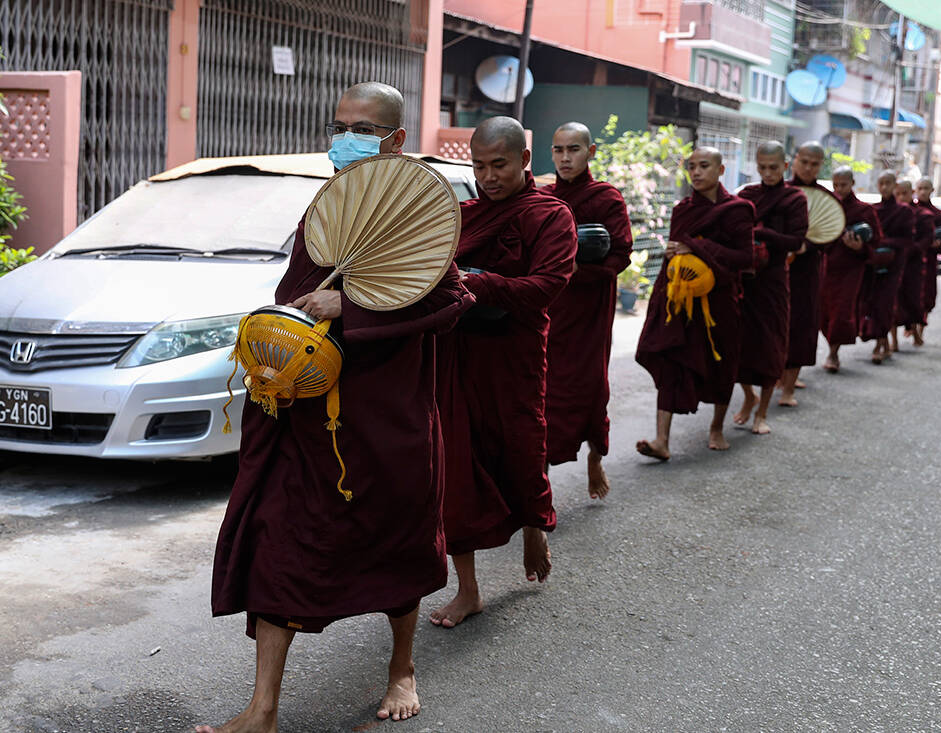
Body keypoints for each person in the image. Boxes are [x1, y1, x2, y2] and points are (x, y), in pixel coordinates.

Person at [198, 82, 474, 733]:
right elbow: (297, 289)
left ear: (397, 139)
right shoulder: (327, 205)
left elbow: (452, 301)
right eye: (341, 123)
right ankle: (263, 707)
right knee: (278, 542)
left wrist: (348, 309)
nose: (347, 136)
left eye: (364, 126)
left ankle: (402, 665)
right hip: (308, 414)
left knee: (395, 544)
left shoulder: (416, 212)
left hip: (386, 419)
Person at [431, 117, 577, 628]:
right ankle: (468, 590)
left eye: (499, 164)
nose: (488, 176)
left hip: (514, 354)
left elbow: (547, 286)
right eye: (479, 165)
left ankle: (534, 525)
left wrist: (478, 281)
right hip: (456, 354)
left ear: (523, 161)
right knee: (456, 467)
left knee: (521, 447)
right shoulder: (463, 215)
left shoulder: (550, 216)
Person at [635, 147, 755, 458]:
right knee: (673, 359)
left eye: (704, 166)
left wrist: (698, 246)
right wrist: (662, 300)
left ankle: (716, 427)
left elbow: (744, 257)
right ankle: (662, 440)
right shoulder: (683, 209)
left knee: (722, 363)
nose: (697, 172)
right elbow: (675, 253)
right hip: (682, 298)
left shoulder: (738, 209)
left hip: (721, 300)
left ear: (721, 170)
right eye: (692, 167)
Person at [542, 122, 633, 499]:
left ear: (591, 152)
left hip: (589, 310)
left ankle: (596, 458)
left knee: (590, 388)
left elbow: (622, 254)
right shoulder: (543, 198)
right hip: (550, 308)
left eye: (574, 149)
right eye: (559, 150)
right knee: (543, 392)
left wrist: (583, 270)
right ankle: (539, 483)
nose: (565, 158)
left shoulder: (606, 198)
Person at [733, 142, 808, 434]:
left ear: (785, 166)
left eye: (773, 168)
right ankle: (748, 396)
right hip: (746, 279)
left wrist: (762, 233)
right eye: (762, 167)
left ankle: (762, 413)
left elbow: (796, 241)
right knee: (740, 343)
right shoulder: (748, 195)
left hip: (774, 280)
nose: (767, 173)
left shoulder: (794, 199)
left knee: (771, 345)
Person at [780, 141, 834, 406]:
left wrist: (808, 245)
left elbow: (830, 234)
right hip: (777, 268)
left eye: (815, 164)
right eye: (805, 162)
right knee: (777, 324)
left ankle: (788, 389)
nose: (809, 168)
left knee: (802, 327)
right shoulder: (780, 193)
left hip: (808, 271)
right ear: (794, 161)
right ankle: (776, 376)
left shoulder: (827, 198)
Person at [821, 167, 881, 373]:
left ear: (852, 183)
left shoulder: (864, 210)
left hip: (851, 269)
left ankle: (833, 353)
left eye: (843, 185)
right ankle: (831, 348)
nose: (839, 189)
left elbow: (876, 241)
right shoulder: (827, 207)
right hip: (827, 266)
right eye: (835, 185)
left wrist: (860, 247)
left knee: (841, 311)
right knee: (824, 312)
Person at [860, 172, 913, 364]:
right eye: (881, 183)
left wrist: (885, 242)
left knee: (886, 303)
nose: (884, 187)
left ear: (894, 185)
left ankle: (880, 345)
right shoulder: (871, 210)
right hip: (874, 262)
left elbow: (908, 239)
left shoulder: (904, 211)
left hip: (894, 264)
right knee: (872, 303)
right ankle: (882, 343)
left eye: (888, 183)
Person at [892, 179, 934, 349]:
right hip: (894, 263)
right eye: (898, 194)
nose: (902, 197)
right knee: (893, 301)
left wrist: (910, 249)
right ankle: (893, 341)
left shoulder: (923, 215)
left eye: (905, 193)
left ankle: (916, 332)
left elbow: (927, 239)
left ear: (912, 194)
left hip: (914, 264)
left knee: (913, 300)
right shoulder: (892, 212)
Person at [914, 178, 941, 335]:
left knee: (926, 294)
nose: (922, 192)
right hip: (912, 258)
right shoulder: (908, 211)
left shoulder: (939, 214)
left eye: (926, 188)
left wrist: (938, 244)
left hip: (929, 259)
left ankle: (920, 329)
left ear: (932, 190)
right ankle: (912, 326)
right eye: (920, 188)